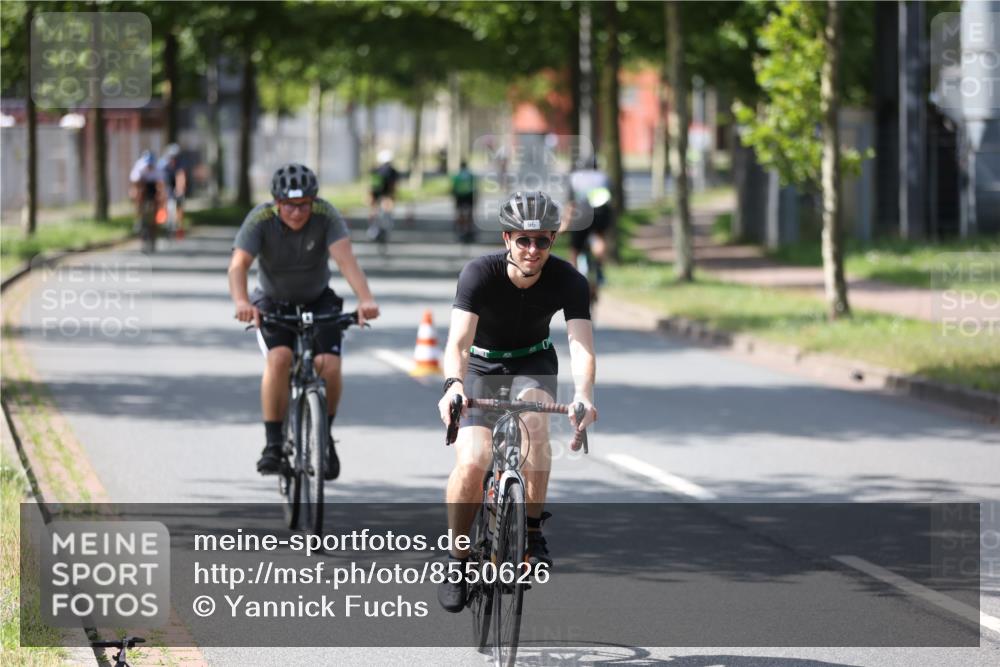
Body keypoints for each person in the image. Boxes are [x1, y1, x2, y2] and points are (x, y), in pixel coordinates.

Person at [435, 190, 598, 613]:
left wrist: (583, 395)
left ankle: (532, 530)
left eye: (541, 240)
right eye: (523, 240)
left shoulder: (569, 280)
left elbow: (580, 345)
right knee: (472, 461)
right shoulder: (478, 273)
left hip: (533, 360)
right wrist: (453, 384)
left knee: (536, 425)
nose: (531, 249)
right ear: (507, 238)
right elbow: (458, 341)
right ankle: (457, 560)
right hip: (481, 368)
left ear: (552, 241)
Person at [228, 163, 380, 477]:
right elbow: (238, 266)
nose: (297, 213)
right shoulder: (260, 219)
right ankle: (273, 444)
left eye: (304, 205)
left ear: (313, 201)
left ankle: (323, 436)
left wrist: (365, 298)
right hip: (272, 300)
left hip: (317, 298)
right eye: (289, 206)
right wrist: (242, 302)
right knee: (280, 357)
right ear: (276, 202)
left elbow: (345, 260)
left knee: (330, 365)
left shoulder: (326, 215)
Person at [563, 156, 614, 300]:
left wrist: (565, 225)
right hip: (601, 212)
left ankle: (572, 278)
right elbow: (610, 199)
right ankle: (599, 269)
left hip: (582, 213)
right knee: (599, 238)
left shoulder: (574, 177)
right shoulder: (604, 177)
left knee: (574, 249)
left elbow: (570, 205)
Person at [368, 149, 400, 242]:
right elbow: (394, 186)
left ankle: (372, 228)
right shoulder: (393, 171)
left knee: (373, 210)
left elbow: (372, 185)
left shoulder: (376, 170)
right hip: (387, 194)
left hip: (376, 193)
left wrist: (370, 196)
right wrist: (393, 196)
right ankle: (388, 225)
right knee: (388, 210)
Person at [157, 143, 187, 238]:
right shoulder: (162, 164)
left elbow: (181, 176)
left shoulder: (180, 163)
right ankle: (164, 218)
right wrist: (162, 192)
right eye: (172, 157)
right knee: (165, 198)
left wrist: (180, 190)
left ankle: (179, 225)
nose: (173, 159)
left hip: (175, 181)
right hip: (167, 181)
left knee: (180, 202)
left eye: (175, 157)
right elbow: (160, 180)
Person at [450, 159, 476, 242]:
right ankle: (469, 229)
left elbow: (453, 188)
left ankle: (460, 229)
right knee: (469, 213)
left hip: (459, 196)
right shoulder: (470, 175)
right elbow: (474, 187)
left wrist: (453, 196)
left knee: (460, 212)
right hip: (469, 195)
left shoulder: (457, 176)